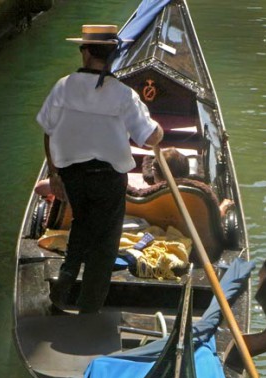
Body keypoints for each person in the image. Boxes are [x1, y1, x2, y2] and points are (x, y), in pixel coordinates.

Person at [36, 24, 163, 314]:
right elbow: (150, 137)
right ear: (112, 55)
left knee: (81, 225)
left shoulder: (63, 86)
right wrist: (158, 132)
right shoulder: (124, 95)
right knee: (105, 244)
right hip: (108, 180)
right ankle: (89, 308)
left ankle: (63, 288)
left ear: (85, 52)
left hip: (72, 176)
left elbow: (48, 131)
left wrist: (54, 174)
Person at [152, 147, 234, 217]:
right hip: (193, 234)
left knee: (146, 235)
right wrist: (224, 206)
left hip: (157, 233)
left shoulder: (150, 196)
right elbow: (216, 217)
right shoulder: (201, 194)